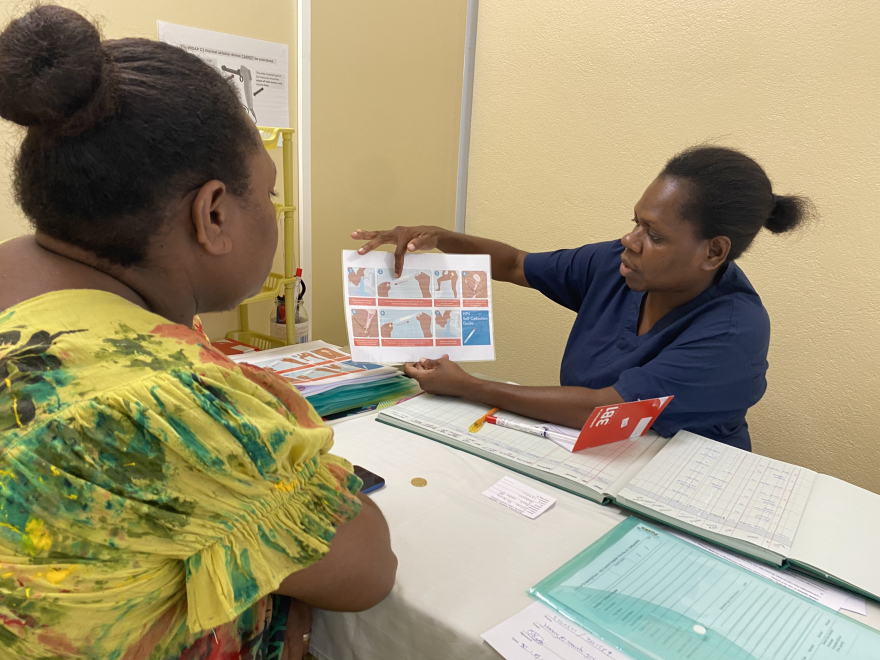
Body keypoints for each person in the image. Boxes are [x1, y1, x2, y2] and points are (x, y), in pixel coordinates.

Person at [0, 6, 396, 659]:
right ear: (213, 214)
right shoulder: (168, 397)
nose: (270, 215)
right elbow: (367, 569)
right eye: (265, 195)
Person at [353, 146, 813, 451]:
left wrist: (470, 387)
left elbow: (608, 408)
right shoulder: (620, 266)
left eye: (653, 234)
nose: (630, 240)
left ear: (713, 251)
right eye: (636, 222)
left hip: (680, 490)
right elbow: (516, 264)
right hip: (595, 462)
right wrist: (439, 237)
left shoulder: (733, 330)